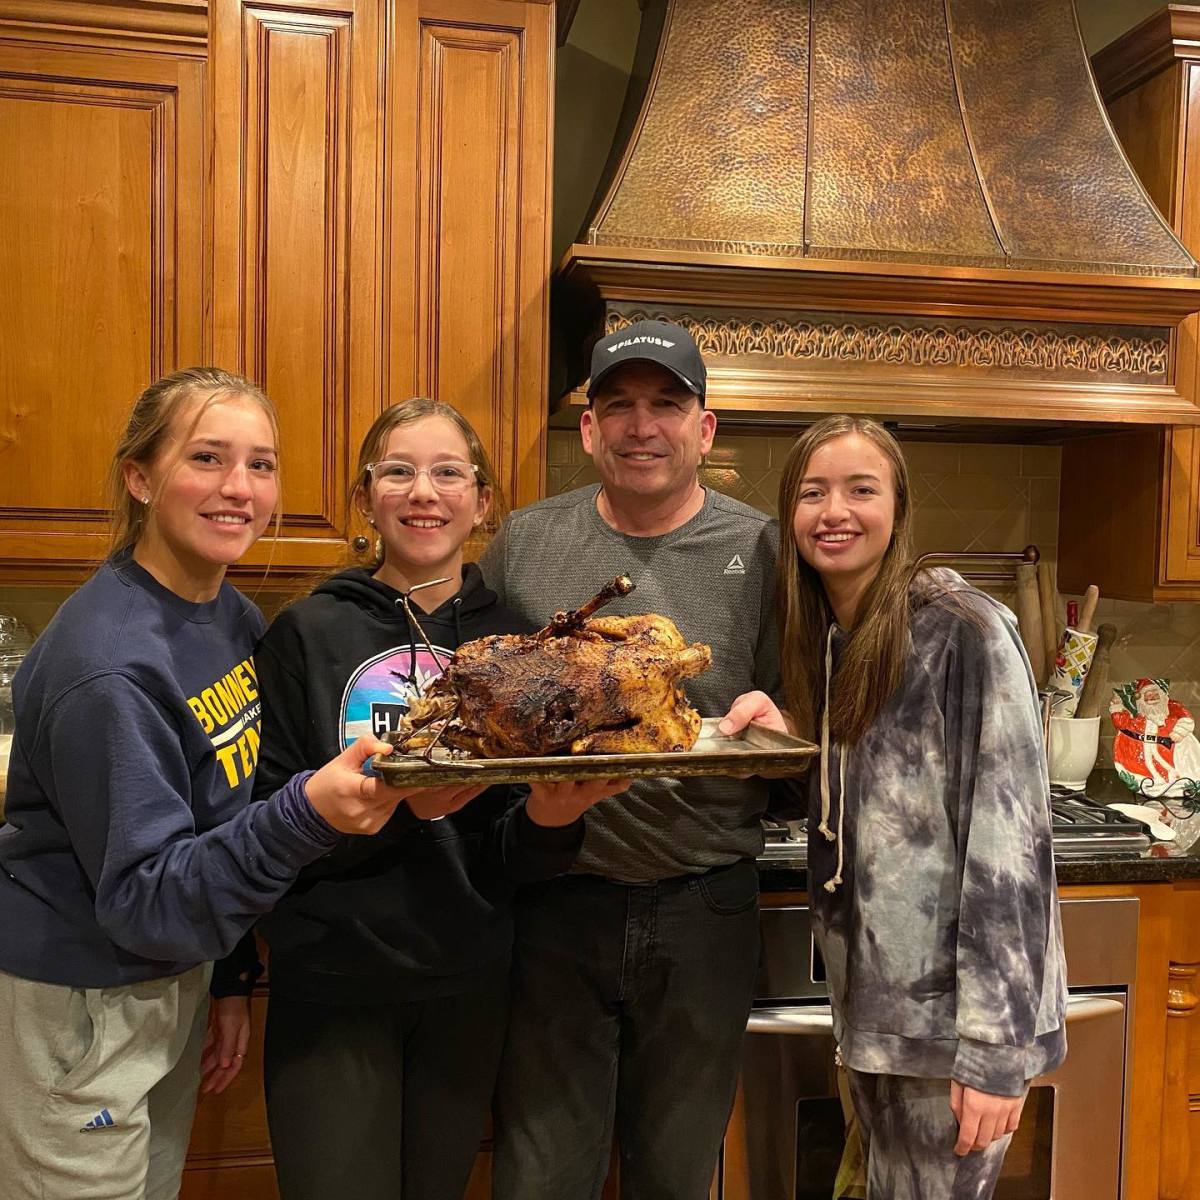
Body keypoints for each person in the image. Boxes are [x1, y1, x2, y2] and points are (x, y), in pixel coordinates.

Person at [0, 368, 473, 1200]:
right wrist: (308, 812)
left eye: (261, 464)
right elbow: (146, 894)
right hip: (81, 1001)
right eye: (208, 458)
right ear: (139, 478)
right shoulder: (107, 666)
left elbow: (211, 824)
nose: (238, 489)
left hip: (166, 975)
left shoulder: (224, 617)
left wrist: (225, 978)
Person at [252, 397, 625, 1200]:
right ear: (366, 497)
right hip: (333, 982)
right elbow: (263, 821)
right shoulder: (306, 634)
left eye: (448, 472)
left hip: (468, 985)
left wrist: (551, 821)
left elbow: (511, 853)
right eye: (399, 471)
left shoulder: (520, 645)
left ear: (482, 501)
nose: (425, 492)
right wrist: (391, 814)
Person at [721, 414, 1067, 1200]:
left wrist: (994, 1055)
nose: (834, 511)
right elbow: (881, 806)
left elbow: (1010, 858)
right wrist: (796, 745)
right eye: (813, 493)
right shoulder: (839, 636)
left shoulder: (965, 631)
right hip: (879, 1022)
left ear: (899, 510)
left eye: (860, 490)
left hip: (953, 1034)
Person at [480, 319, 782, 1199]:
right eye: (617, 406)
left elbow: (795, 710)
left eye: (665, 404)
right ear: (587, 429)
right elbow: (488, 717)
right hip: (556, 906)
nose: (640, 426)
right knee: (539, 1175)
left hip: (706, 905)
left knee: (677, 1177)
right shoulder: (527, 545)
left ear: (705, 428)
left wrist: (780, 723)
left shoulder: (762, 549)